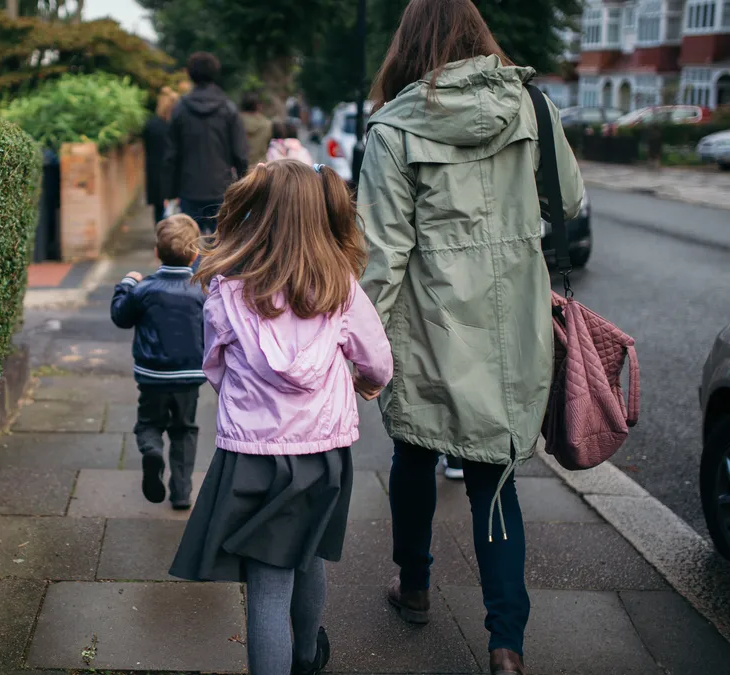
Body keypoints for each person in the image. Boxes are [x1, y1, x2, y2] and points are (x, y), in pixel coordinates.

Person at [355, 1, 583, 674]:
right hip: (513, 324)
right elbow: (565, 202)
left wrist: (357, 350)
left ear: (408, 44)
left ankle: (416, 584)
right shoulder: (533, 108)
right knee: (495, 477)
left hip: (428, 326)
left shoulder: (394, 127)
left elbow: (382, 254)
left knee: (415, 453)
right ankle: (505, 644)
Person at [171, 160, 394, 675]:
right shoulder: (340, 286)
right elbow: (378, 361)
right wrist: (364, 382)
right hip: (322, 453)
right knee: (309, 555)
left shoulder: (227, 290)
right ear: (319, 216)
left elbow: (214, 366)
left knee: (268, 584)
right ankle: (307, 655)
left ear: (258, 213)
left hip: (251, 457)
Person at [110, 214, 207, 510]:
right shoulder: (201, 290)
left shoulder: (145, 289)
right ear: (195, 254)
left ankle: (152, 451)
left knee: (149, 424)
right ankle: (181, 493)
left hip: (152, 375)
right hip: (189, 376)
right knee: (184, 430)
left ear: (156, 252)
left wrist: (126, 283)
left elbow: (120, 317)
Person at [164, 52, 249, 235]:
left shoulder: (180, 109)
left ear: (190, 74)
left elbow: (171, 155)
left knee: (189, 245)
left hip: (189, 189)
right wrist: (243, 187)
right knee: (224, 245)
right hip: (221, 188)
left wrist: (171, 192)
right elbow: (240, 154)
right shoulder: (228, 108)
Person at [144, 88, 180, 224]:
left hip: (155, 173)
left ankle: (161, 238)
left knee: (159, 211)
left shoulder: (151, 125)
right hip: (173, 174)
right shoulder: (177, 126)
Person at [240, 92, 272, 166]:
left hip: (240, 168)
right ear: (258, 106)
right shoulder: (267, 124)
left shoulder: (236, 122)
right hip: (260, 167)